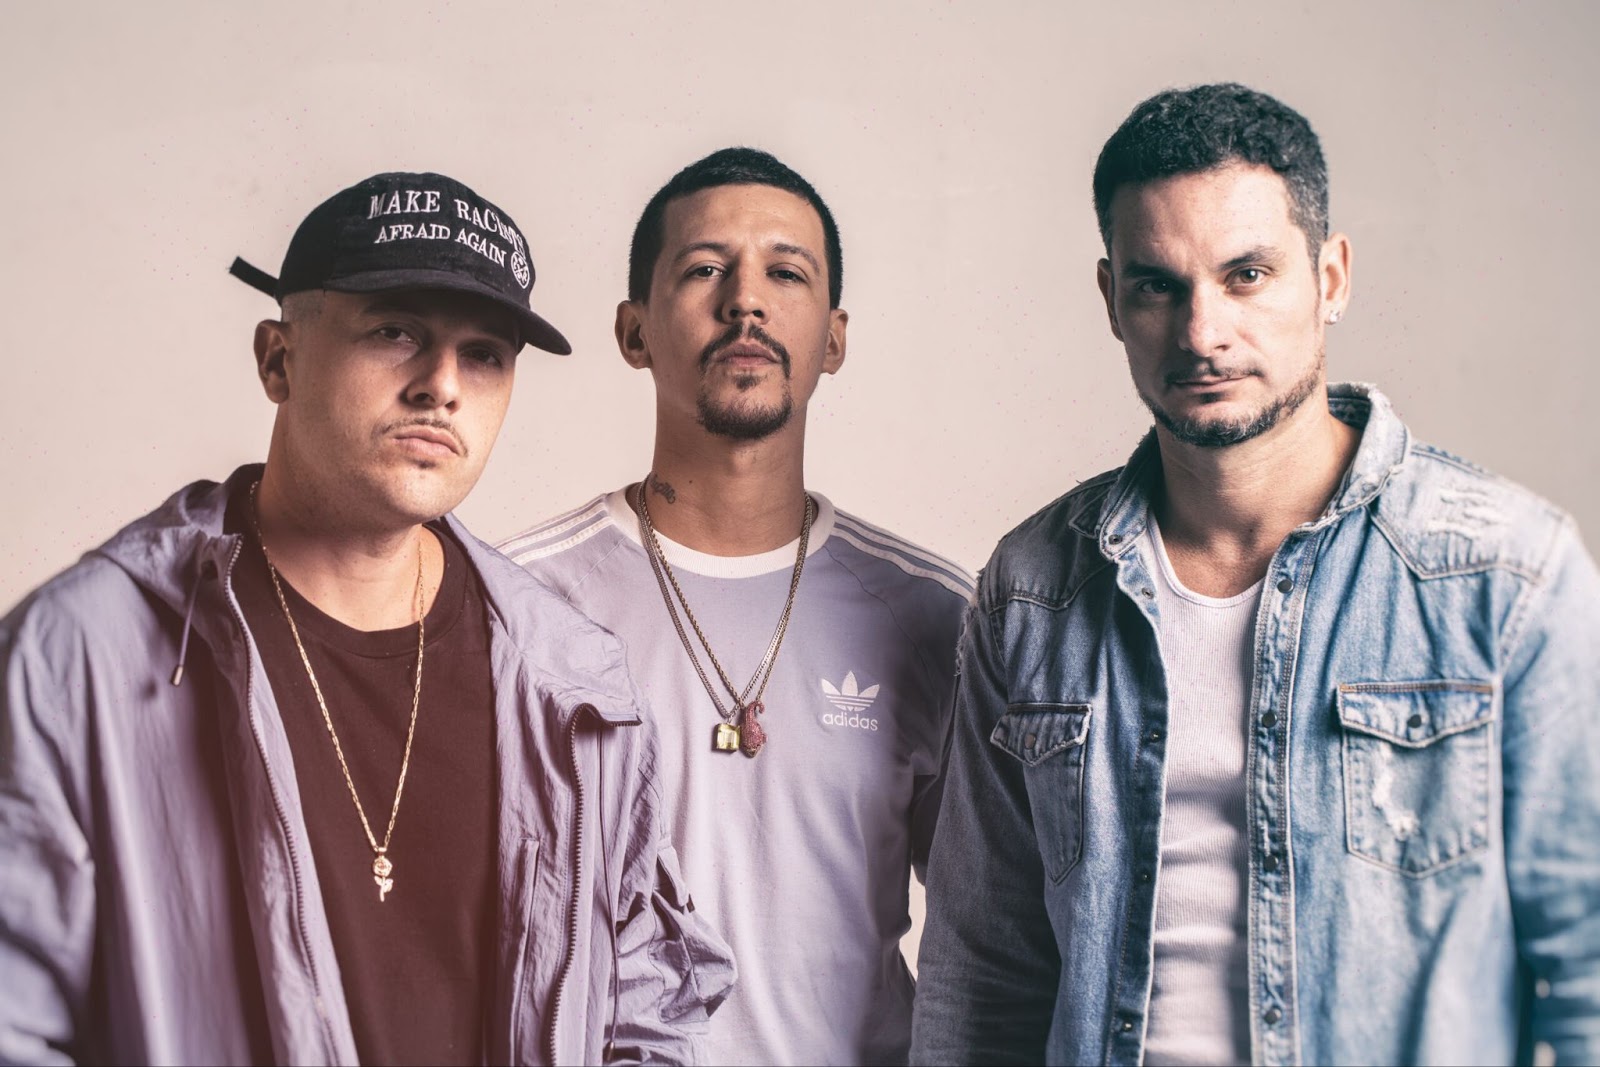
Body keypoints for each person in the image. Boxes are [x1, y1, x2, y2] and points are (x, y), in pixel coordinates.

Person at [912, 83, 1600, 1067]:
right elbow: (983, 976)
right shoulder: (1034, 591)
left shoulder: (1503, 575)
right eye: (1158, 286)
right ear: (1111, 301)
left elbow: (1585, 970)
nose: (1202, 332)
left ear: (1330, 277)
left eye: (1246, 275)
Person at [0, 171, 732, 1065]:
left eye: (484, 354)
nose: (442, 386)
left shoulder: (571, 677)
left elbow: (645, 998)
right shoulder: (83, 655)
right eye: (396, 332)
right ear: (278, 359)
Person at [500, 147, 971, 1065]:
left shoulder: (933, 615)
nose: (745, 300)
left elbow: (993, 937)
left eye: (785, 273)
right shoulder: (521, 603)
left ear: (834, 338)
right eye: (705, 269)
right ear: (634, 331)